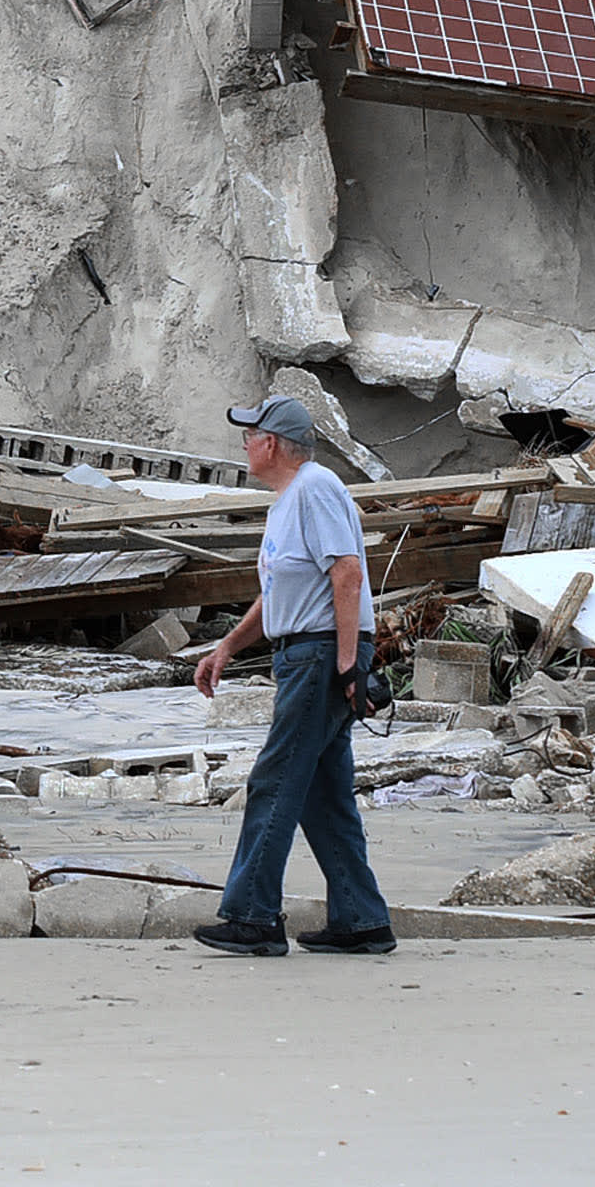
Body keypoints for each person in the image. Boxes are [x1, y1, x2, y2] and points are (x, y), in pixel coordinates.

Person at [187, 391, 393, 955]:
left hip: (321, 655)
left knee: (275, 781)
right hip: (306, 651)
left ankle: (253, 916)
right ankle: (361, 920)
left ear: (271, 442)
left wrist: (348, 666)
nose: (245, 446)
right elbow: (281, 592)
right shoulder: (289, 499)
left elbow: (346, 575)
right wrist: (227, 647)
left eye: (248, 437)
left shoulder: (315, 487)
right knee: (323, 795)